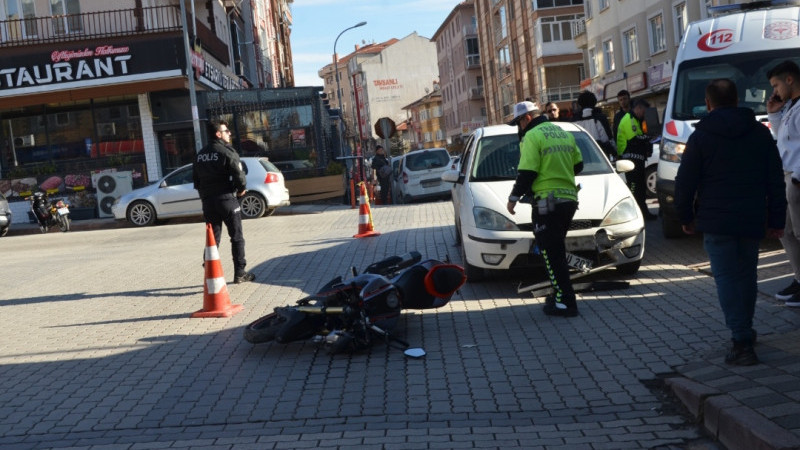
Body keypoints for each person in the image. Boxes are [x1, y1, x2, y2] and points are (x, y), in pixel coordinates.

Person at [675, 78, 785, 366]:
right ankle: (745, 330)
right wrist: (777, 219)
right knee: (747, 276)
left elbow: (685, 181)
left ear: (709, 104)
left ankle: (741, 341)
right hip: (751, 217)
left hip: (716, 220)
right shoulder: (759, 134)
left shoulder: (700, 136)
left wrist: (685, 217)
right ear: (737, 100)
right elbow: (775, 180)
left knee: (726, 279)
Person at [506, 101, 584, 317]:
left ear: (527, 119)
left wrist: (513, 198)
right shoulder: (561, 131)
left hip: (547, 202)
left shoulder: (532, 136)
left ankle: (566, 302)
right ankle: (560, 296)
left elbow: (527, 171)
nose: (519, 129)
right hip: (569, 199)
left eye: (519, 124)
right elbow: (578, 165)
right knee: (556, 250)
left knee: (551, 253)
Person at [192, 120, 254, 284]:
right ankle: (240, 273)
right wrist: (241, 189)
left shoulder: (200, 154)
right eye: (226, 131)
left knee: (213, 239)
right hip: (226, 199)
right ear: (218, 134)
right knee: (237, 237)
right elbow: (239, 174)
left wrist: (206, 197)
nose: (229, 133)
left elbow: (196, 181)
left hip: (208, 202)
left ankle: (210, 272)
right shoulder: (227, 151)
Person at [768, 60, 800, 307]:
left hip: (797, 179)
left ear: (789, 80)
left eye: (776, 85)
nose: (775, 91)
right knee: (786, 233)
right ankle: (799, 279)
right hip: (788, 177)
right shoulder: (791, 107)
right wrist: (774, 114)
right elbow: (783, 140)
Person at [616, 97, 657, 220]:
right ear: (638, 108)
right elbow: (634, 139)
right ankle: (636, 215)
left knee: (640, 188)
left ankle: (643, 213)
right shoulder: (629, 120)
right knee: (635, 189)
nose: (645, 114)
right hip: (630, 160)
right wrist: (651, 138)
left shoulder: (635, 120)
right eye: (644, 111)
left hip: (635, 159)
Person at [573, 91, 616, 160]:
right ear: (594, 102)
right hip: (599, 157)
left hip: (580, 156)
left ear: (580, 104)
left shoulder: (574, 120)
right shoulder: (600, 118)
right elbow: (607, 139)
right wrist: (615, 153)